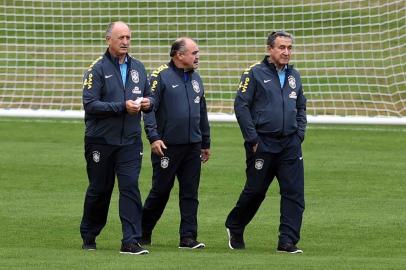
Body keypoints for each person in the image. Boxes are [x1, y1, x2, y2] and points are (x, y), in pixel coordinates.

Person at [225, 31, 307, 254]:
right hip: (263, 143)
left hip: (290, 144)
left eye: (289, 48)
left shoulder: (294, 76)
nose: (286, 52)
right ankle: (235, 225)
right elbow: (241, 106)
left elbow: (301, 105)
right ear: (270, 49)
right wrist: (253, 139)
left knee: (294, 193)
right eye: (282, 47)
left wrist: (299, 133)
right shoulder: (254, 73)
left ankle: (287, 241)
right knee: (256, 191)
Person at [80, 21, 153, 255]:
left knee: (130, 187)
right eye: (120, 37)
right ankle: (89, 234)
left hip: (130, 141)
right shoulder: (96, 69)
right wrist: (122, 107)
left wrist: (149, 103)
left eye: (128, 38)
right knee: (100, 189)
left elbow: (151, 96)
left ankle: (131, 241)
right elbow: (90, 105)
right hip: (101, 141)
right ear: (108, 40)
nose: (125, 42)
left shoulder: (139, 69)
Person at [141, 37, 211, 249]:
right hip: (167, 146)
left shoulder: (197, 78)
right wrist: (154, 137)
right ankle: (142, 231)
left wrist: (205, 141)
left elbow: (202, 111)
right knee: (161, 191)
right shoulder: (160, 76)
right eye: (194, 53)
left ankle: (188, 238)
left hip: (192, 146)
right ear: (179, 55)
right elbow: (149, 108)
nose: (197, 56)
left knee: (190, 192)